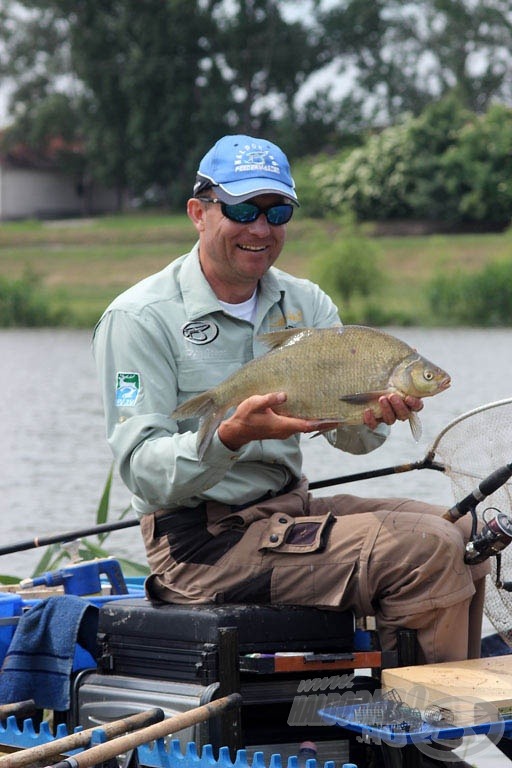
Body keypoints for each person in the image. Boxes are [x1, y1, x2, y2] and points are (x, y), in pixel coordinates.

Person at [93, 134, 488, 669]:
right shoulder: (138, 318)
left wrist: (373, 416)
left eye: (277, 211)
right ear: (198, 213)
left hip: (288, 510)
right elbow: (141, 471)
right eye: (241, 208)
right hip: (200, 544)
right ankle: (437, 732)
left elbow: (355, 440)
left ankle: (447, 706)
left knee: (468, 531)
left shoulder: (307, 303)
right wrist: (231, 436)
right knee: (427, 548)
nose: (261, 228)